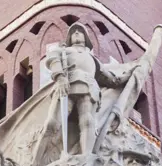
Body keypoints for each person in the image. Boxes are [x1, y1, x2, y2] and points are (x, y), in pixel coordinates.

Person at [47, 23, 134, 157]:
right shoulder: (63, 51)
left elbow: (111, 80)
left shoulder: (93, 60)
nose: (76, 33)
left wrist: (129, 74)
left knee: (87, 121)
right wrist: (59, 77)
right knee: (53, 122)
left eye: (80, 31)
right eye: (73, 32)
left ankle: (86, 156)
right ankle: (35, 161)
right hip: (67, 84)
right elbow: (53, 59)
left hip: (89, 87)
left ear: (85, 37)